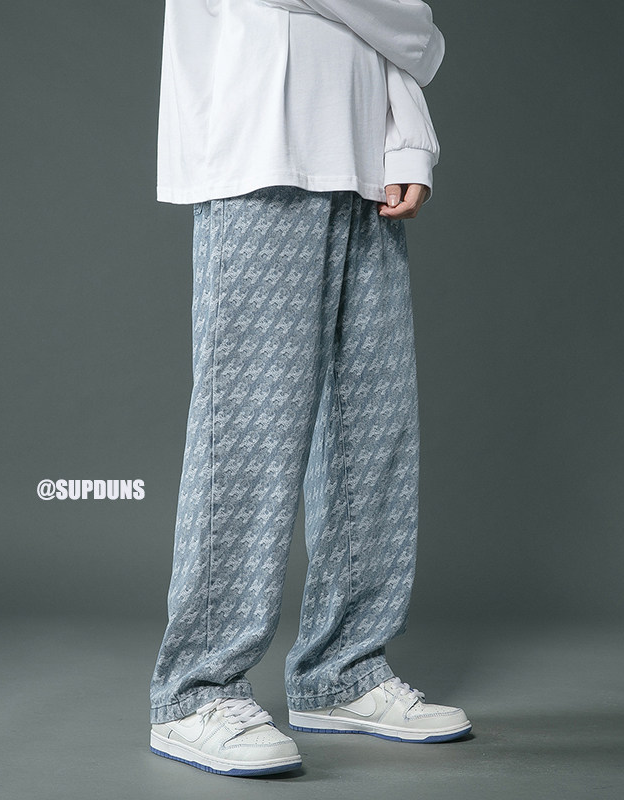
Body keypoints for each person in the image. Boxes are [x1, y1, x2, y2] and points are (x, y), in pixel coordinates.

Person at [148, 0, 471, 777]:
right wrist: (415, 21)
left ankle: (342, 670)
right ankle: (194, 691)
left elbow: (382, 28)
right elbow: (403, 22)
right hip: (258, 149)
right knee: (249, 437)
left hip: (363, 157)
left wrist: (409, 138)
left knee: (372, 430)